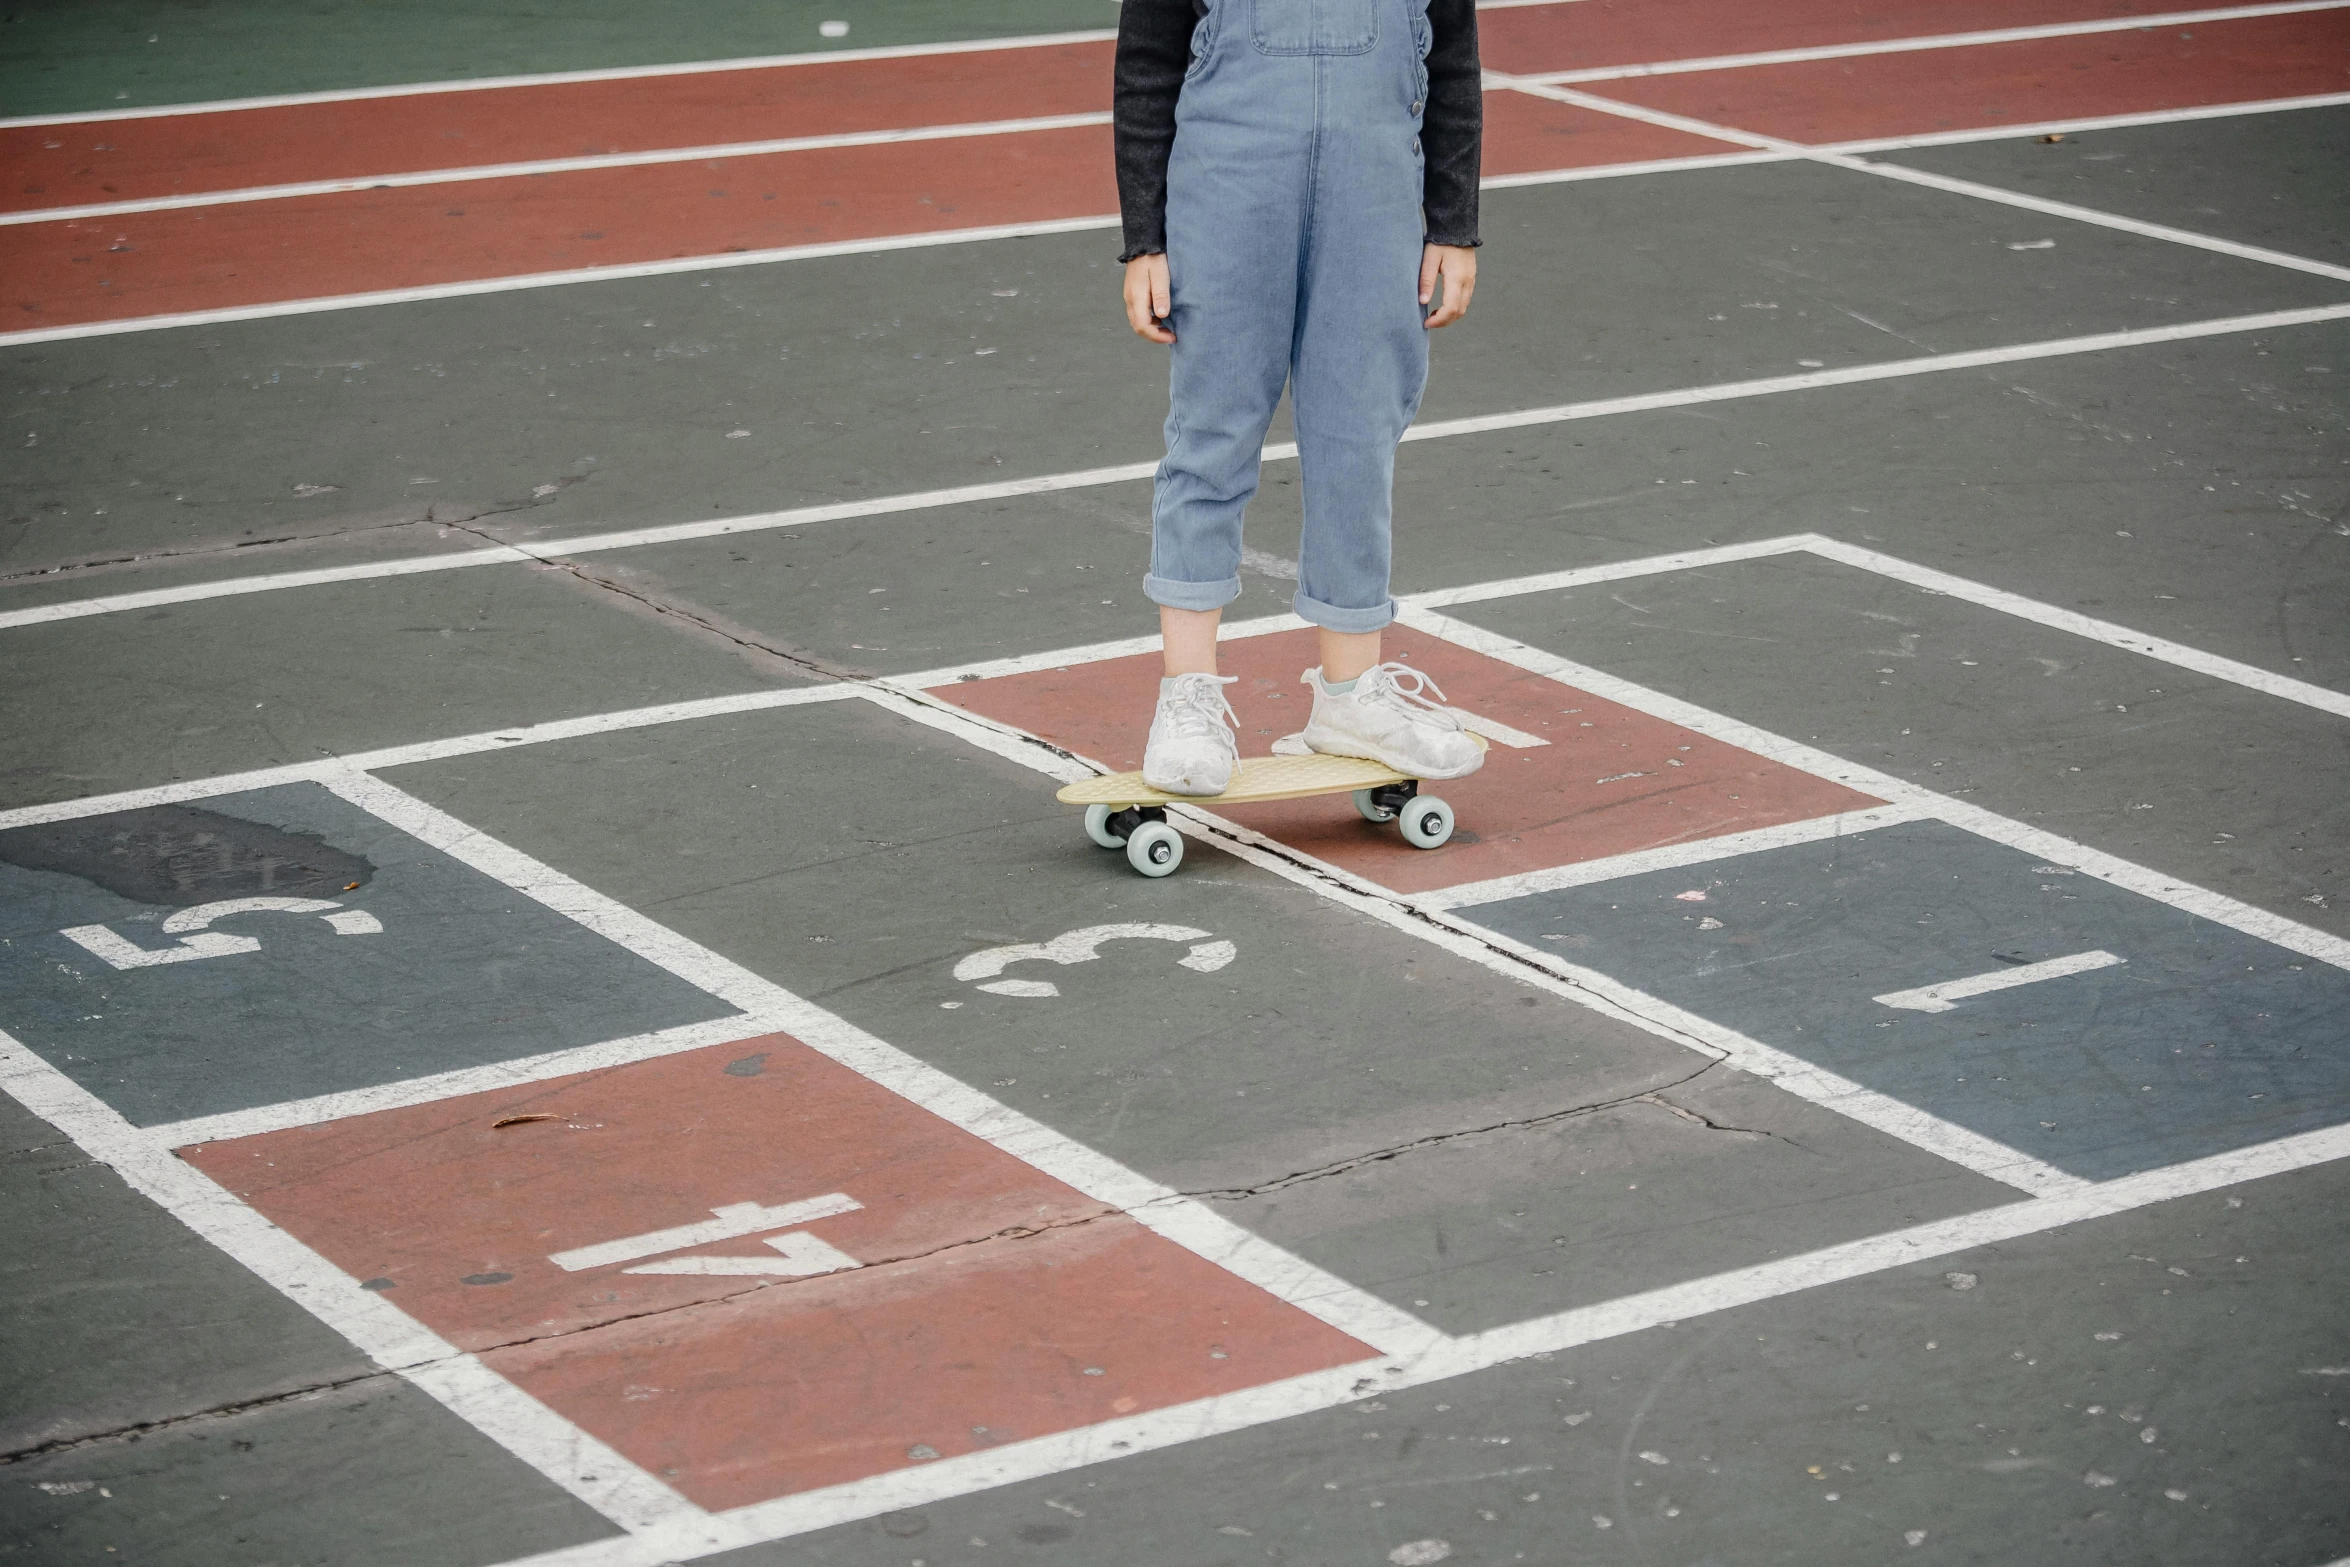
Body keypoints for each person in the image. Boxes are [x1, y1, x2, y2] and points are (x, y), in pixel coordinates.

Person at [1113, 0, 1487, 796]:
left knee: (1359, 438)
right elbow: (1146, 66)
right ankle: (1187, 697)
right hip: (1226, 191)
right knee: (1212, 437)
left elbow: (1452, 65)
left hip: (1376, 196)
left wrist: (1453, 224)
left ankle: (1351, 693)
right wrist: (1144, 237)